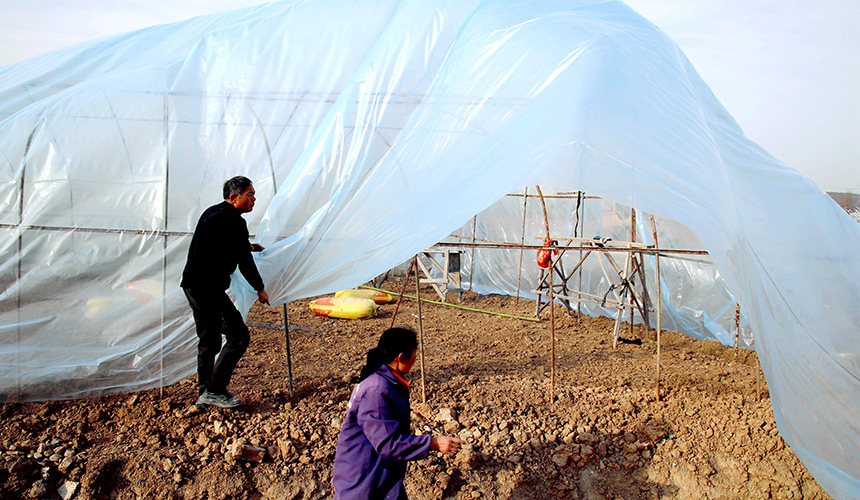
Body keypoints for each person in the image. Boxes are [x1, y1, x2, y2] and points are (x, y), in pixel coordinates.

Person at [332, 327, 463, 500]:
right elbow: (389, 444)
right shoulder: (377, 390)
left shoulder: (383, 379)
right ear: (401, 357)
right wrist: (432, 443)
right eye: (414, 356)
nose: (415, 360)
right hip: (364, 485)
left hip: (380, 478)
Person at [181, 176, 270, 408]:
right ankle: (214, 389)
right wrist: (260, 289)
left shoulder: (213, 214)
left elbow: (221, 244)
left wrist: (247, 245)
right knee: (239, 336)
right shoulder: (234, 222)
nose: (254, 198)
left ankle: (205, 392)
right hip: (207, 288)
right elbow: (244, 261)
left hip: (193, 285)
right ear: (234, 198)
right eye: (249, 194)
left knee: (209, 339)